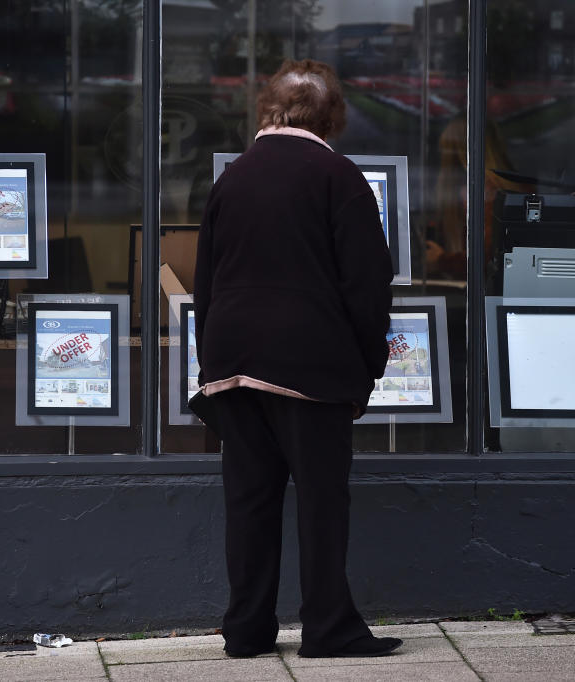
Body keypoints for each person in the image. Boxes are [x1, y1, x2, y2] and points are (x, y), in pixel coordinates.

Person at [193, 59, 399, 659]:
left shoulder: (231, 179)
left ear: (268, 109)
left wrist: (213, 366)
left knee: (249, 500)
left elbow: (207, 283)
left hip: (233, 362)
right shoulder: (339, 177)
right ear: (332, 117)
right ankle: (329, 628)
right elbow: (367, 285)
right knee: (321, 500)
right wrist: (368, 366)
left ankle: (246, 629)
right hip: (311, 365)